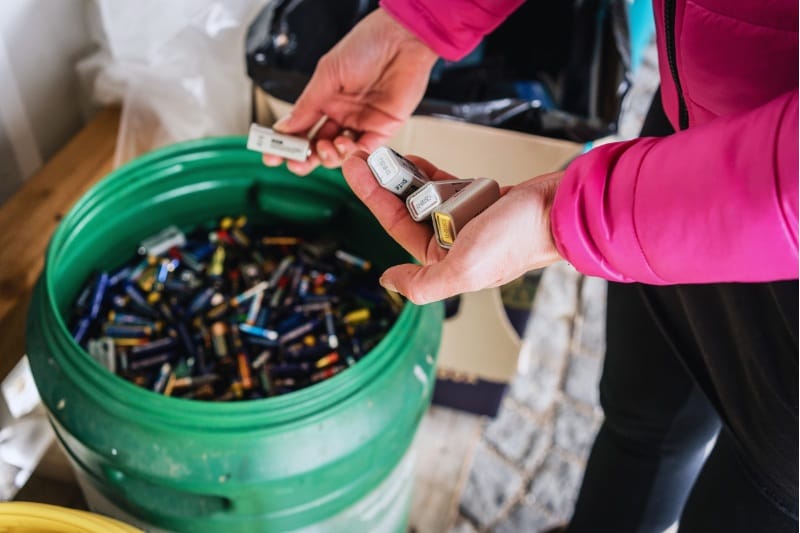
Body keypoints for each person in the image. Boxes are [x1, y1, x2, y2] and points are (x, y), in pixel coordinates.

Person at [262, 1, 798, 531]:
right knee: (640, 420)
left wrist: (560, 215)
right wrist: (421, 22)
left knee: (741, 502)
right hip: (681, 150)